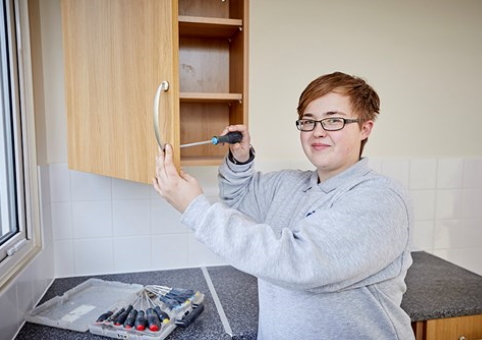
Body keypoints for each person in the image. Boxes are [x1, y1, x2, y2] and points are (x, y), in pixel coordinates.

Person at [153, 71, 414, 340]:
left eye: (334, 120)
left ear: (365, 128)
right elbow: (238, 198)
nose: (318, 132)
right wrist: (240, 160)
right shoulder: (289, 184)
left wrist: (195, 209)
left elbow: (299, 261)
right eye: (308, 122)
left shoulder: (381, 198)